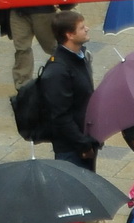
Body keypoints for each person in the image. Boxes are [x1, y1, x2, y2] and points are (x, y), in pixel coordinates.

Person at [38, 10, 99, 171]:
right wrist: (83, 145)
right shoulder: (57, 71)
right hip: (72, 149)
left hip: (86, 142)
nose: (87, 29)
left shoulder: (80, 57)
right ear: (69, 35)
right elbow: (60, 116)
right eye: (82, 27)